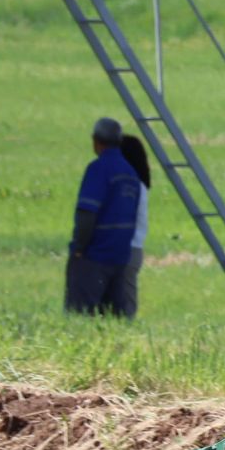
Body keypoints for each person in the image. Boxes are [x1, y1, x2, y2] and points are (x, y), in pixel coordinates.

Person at [67, 116, 140, 316]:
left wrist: (79, 248)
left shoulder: (98, 169)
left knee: (79, 316)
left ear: (96, 142)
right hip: (120, 257)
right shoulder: (131, 174)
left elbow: (87, 213)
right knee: (113, 320)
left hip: (94, 256)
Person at [119, 133, 151, 316]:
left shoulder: (131, 187)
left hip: (127, 249)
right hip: (135, 249)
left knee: (125, 308)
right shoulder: (140, 186)